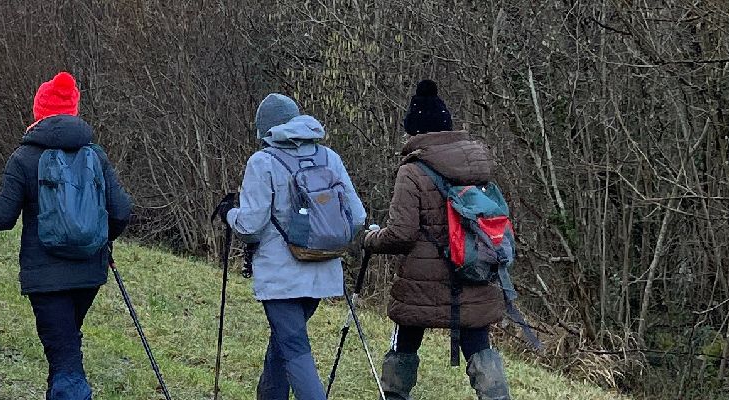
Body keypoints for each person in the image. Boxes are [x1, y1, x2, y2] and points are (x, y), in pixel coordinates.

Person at [0, 71, 134, 399]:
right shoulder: (96, 155)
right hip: (89, 272)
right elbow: (121, 211)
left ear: (38, 112)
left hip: (45, 278)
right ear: (74, 110)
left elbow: (2, 217)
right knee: (64, 351)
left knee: (66, 364)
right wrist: (102, 239)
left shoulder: (24, 158)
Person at [362, 80, 513, 400]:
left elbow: (402, 234)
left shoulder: (413, 170)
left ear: (414, 132)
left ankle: (393, 397)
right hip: (472, 269)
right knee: (479, 345)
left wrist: (372, 240)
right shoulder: (476, 165)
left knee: (405, 341)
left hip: (422, 279)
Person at [219, 93, 368, 400]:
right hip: (323, 273)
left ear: (264, 130)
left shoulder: (262, 162)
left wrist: (227, 213)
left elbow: (249, 227)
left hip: (281, 278)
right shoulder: (329, 157)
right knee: (284, 343)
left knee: (294, 347)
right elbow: (358, 217)